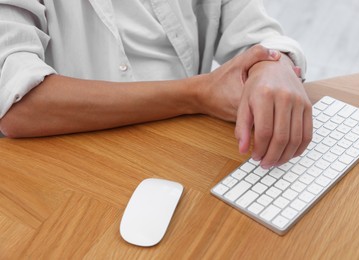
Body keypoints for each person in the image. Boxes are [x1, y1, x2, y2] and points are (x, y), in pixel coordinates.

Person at [0, 0, 312, 169]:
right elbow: (19, 104)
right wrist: (197, 94)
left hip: (188, 154)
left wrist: (274, 65)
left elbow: (256, 33)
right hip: (82, 170)